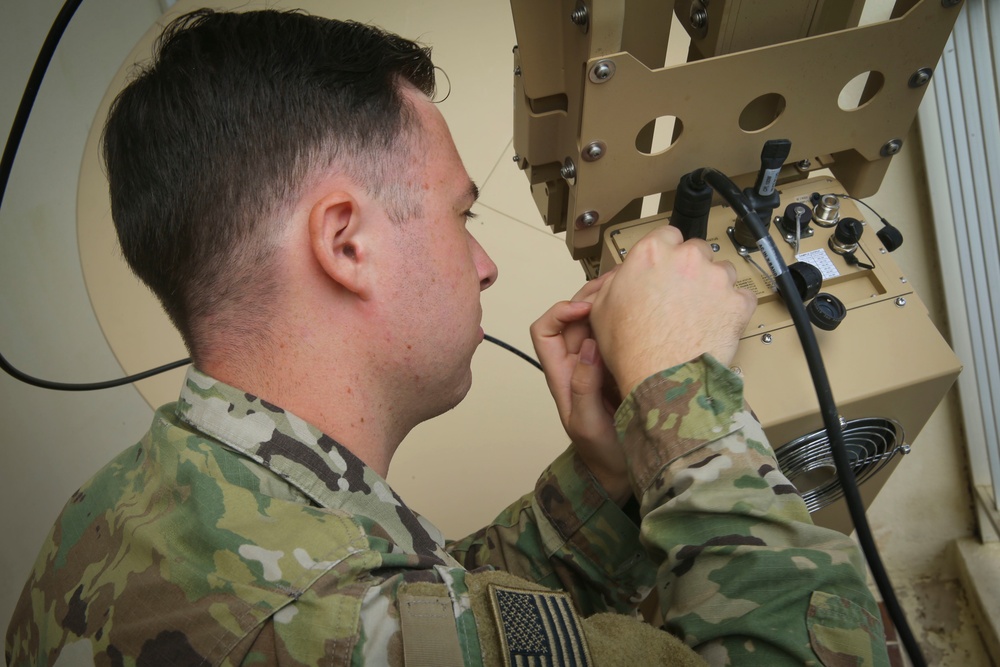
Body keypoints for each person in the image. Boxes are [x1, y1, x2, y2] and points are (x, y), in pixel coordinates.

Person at [6, 8, 889, 666]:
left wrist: (605, 480)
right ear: (346, 242)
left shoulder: (117, 510)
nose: (486, 263)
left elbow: (437, 611)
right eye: (460, 214)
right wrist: (680, 389)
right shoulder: (320, 631)